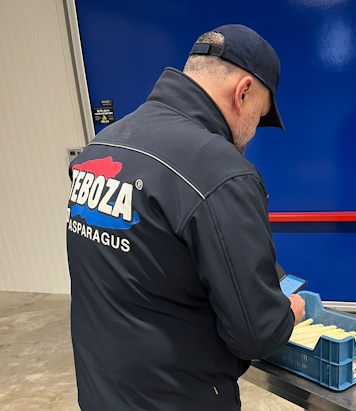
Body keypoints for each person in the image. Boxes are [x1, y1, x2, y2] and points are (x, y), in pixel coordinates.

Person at [66, 24, 305, 411]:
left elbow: (147, 263)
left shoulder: (102, 146)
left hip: (102, 393)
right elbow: (255, 334)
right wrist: (286, 316)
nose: (252, 133)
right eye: (259, 115)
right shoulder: (221, 173)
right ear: (243, 92)